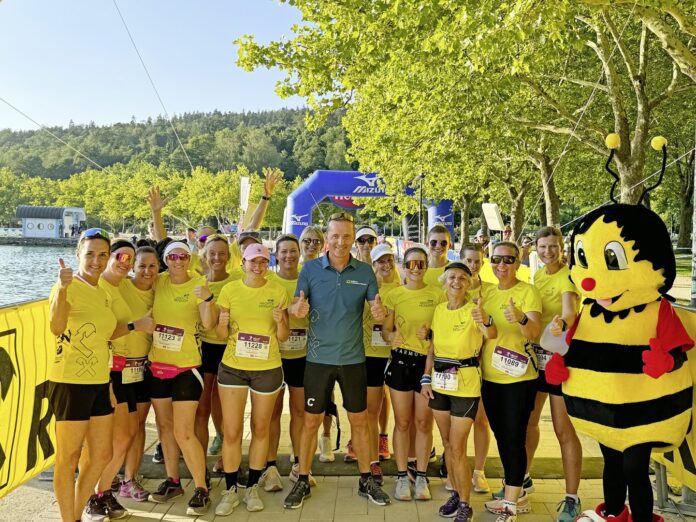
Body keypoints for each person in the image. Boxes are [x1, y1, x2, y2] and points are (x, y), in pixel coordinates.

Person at [283, 212, 391, 509]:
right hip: (318, 360)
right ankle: (303, 478)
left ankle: (366, 479)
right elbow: (297, 305)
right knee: (311, 421)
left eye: (346, 236)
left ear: (352, 238)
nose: (341, 242)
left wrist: (380, 314)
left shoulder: (365, 272)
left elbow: (376, 307)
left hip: (354, 359)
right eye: (335, 236)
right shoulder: (310, 270)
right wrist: (297, 311)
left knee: (361, 420)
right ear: (326, 239)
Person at [47, 228, 146, 522]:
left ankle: (75, 513)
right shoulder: (67, 285)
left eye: (103, 255)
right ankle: (70, 518)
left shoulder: (103, 290)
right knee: (69, 457)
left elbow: (105, 335)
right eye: (90, 254)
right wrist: (62, 290)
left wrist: (132, 327)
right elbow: (56, 326)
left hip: (99, 382)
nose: (96, 260)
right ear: (79, 254)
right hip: (70, 382)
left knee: (101, 454)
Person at [214, 243, 289, 515]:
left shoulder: (277, 291)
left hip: (267, 368)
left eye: (263, 262)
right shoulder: (230, 290)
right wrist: (222, 322)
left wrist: (281, 320)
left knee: (260, 429)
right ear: (243, 263)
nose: (258, 267)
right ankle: (231, 489)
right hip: (233, 367)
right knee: (232, 431)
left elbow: (282, 335)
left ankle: (253, 487)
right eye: (252, 262)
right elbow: (222, 335)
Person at [421, 262, 497, 522]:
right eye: (452, 277)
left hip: (466, 384)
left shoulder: (474, 310)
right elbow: (432, 348)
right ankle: (455, 492)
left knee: (458, 448)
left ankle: (465, 503)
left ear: (469, 282)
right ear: (444, 281)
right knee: (447, 444)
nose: (456, 282)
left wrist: (485, 320)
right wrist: (425, 379)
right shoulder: (440, 310)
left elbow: (492, 332)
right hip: (440, 382)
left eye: (462, 278)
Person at [148, 241, 217, 516]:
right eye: (173, 256)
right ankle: (173, 481)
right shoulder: (158, 280)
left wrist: (208, 299)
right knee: (165, 428)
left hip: (186, 368)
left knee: (183, 431)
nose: (178, 260)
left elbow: (209, 324)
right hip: (157, 366)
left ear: (190, 259)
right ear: (166, 259)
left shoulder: (198, 283)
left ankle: (201, 488)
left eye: (183, 256)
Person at [522, 227, 582, 521]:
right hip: (537, 360)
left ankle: (571, 498)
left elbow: (570, 310)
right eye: (542, 247)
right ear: (536, 248)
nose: (547, 252)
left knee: (562, 429)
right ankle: (523, 478)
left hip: (561, 361)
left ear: (562, 248)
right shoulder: (539, 276)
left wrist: (562, 323)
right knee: (530, 422)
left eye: (553, 247)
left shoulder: (568, 276)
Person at [93, 240, 156, 518]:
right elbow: (100, 332)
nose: (124, 261)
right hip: (111, 372)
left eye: (128, 258)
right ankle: (96, 495)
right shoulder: (99, 287)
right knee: (112, 440)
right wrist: (135, 325)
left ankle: (105, 490)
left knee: (127, 435)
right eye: (119, 256)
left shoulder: (122, 286)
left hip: (135, 371)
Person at [481, 242, 542, 521]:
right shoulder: (488, 292)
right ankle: (515, 493)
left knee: (514, 437)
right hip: (490, 377)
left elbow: (534, 332)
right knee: (502, 437)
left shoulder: (527, 291)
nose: (502, 265)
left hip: (520, 378)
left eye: (508, 260)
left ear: (518, 262)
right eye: (496, 259)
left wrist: (519, 317)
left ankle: (510, 504)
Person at [382, 245, 445, 502]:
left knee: (422, 422)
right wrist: (391, 336)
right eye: (411, 264)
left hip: (426, 366)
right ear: (403, 266)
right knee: (402, 422)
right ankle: (400, 476)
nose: (416, 269)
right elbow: (386, 331)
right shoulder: (394, 295)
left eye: (421, 264)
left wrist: (430, 335)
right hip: (400, 364)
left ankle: (421, 475)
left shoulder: (439, 295)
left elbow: (446, 331)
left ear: (427, 266)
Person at [263, 234, 313, 491]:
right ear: (276, 254)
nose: (289, 256)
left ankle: (298, 464)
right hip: (273, 355)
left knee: (300, 412)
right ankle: (270, 466)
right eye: (283, 252)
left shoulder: (309, 277)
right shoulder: (269, 281)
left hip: (302, 356)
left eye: (293, 251)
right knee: (272, 412)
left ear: (299, 252)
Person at [194, 235, 240, 469]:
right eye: (212, 253)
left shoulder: (237, 281)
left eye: (222, 253)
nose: (217, 258)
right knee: (201, 407)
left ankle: (225, 453)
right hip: (203, 349)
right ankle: (199, 460)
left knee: (223, 405)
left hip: (229, 348)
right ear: (203, 255)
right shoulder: (197, 282)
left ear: (230, 257)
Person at [117, 246, 159, 502]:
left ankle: (129, 479)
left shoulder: (159, 292)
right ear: (133, 266)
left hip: (144, 367)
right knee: (115, 429)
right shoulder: (119, 287)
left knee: (137, 426)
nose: (146, 271)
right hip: (118, 367)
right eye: (141, 265)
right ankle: (108, 475)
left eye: (152, 266)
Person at [360, 243, 401, 484]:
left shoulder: (402, 288)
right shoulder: (366, 289)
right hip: (370, 355)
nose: (386, 265)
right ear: (373, 264)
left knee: (405, 413)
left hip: (397, 355)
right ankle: (373, 459)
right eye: (380, 261)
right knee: (371, 409)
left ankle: (411, 458)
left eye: (389, 261)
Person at [297, 224, 336, 462]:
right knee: (302, 402)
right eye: (307, 241)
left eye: (316, 241)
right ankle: (300, 447)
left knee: (327, 394)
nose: (311, 245)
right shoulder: (293, 270)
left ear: (323, 245)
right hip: (294, 347)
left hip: (321, 344)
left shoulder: (327, 270)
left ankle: (327, 438)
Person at [460, 243, 494, 494]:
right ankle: (456, 469)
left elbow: (492, 331)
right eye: (469, 261)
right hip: (457, 367)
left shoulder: (491, 292)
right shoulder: (450, 289)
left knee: (481, 420)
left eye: (477, 261)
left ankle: (479, 470)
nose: (473, 266)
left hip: (483, 365)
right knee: (458, 422)